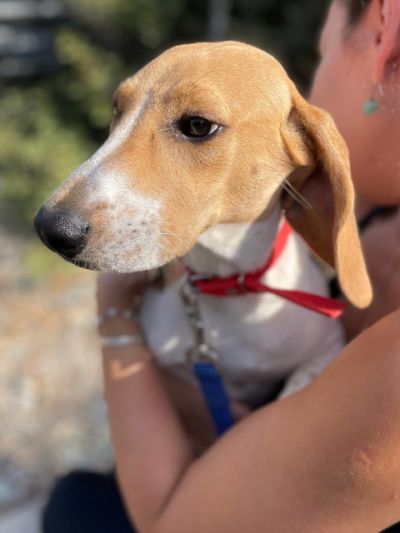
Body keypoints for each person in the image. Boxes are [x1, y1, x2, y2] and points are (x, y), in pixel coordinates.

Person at [43, 0, 400, 531]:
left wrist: (115, 321)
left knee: (72, 505)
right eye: (123, 111)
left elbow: (169, 522)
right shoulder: (376, 199)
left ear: (385, 37)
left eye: (195, 126)